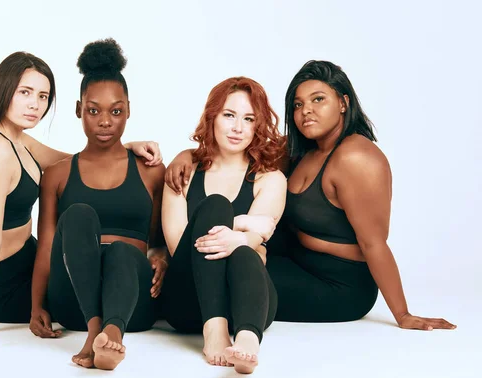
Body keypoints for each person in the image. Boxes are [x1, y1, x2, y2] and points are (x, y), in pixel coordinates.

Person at [164, 60, 456, 332]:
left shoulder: (357, 158)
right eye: (298, 104)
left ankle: (190, 309)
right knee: (228, 259)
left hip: (337, 282)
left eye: (318, 99)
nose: (306, 110)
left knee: (227, 274)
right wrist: (187, 155)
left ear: (343, 103)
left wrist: (402, 314)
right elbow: (236, 147)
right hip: (295, 261)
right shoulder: (301, 149)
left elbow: (374, 242)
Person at [0, 51, 163, 338]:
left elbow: (81, 162)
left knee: (101, 269)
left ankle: (106, 325)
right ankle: (102, 329)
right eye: (25, 92)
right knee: (99, 277)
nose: (34, 105)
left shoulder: (18, 139)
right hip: (6, 282)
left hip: (28, 261)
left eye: (43, 96)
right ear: (4, 91)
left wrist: (125, 148)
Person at [28, 38, 167, 371]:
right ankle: (96, 332)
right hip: (73, 302)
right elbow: (47, 245)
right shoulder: (57, 175)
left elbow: (160, 240)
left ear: (128, 110)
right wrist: (36, 306)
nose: (105, 121)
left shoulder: (150, 170)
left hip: (132, 301)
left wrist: (161, 256)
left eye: (116, 111)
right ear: (79, 110)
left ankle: (112, 333)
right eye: (94, 110)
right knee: (78, 214)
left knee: (120, 251)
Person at [160, 77, 286, 375]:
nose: (237, 127)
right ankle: (214, 329)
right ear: (212, 117)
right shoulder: (184, 172)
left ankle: (247, 340)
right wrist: (242, 223)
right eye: (229, 115)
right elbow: (182, 248)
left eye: (248, 119)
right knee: (216, 205)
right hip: (189, 301)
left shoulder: (271, 179)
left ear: (258, 126)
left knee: (245, 253)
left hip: (245, 300)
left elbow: (254, 242)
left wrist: (245, 236)